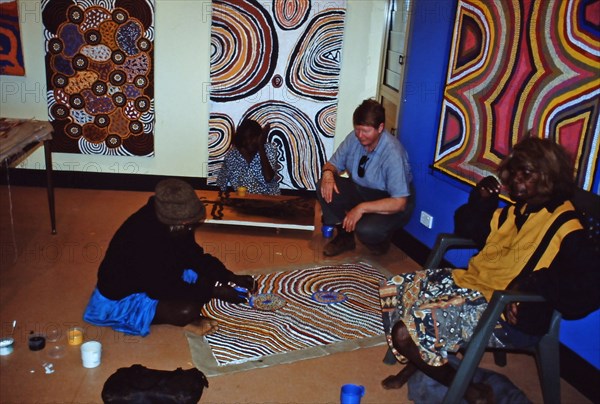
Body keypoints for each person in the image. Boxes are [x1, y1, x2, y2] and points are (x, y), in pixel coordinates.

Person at [379, 137, 600, 403]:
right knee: (393, 287)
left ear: (546, 176)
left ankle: (472, 391)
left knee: (405, 332)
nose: (515, 180)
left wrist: (532, 284)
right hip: (471, 284)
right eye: (514, 172)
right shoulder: (516, 211)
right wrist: (480, 202)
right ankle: (423, 359)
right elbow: (469, 230)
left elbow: (589, 285)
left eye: (526, 174)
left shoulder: (565, 226)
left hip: (504, 313)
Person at [83, 178, 257, 337]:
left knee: (205, 276)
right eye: (188, 225)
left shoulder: (175, 223)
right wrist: (213, 291)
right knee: (186, 310)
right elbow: (159, 288)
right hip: (125, 294)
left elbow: (193, 255)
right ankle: (183, 320)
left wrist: (228, 276)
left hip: (158, 275)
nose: (192, 229)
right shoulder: (144, 238)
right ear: (176, 223)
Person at [317, 99, 413, 256]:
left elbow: (399, 202)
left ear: (380, 128)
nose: (360, 136)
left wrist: (361, 209)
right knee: (323, 184)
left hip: (389, 199)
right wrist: (328, 174)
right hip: (361, 190)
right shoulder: (354, 138)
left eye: (366, 131)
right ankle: (345, 237)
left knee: (367, 230)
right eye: (357, 129)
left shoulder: (393, 153)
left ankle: (381, 240)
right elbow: (332, 164)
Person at [216, 119, 280, 195]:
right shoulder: (232, 155)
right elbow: (221, 183)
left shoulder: (269, 149)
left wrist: (261, 147)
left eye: (252, 137)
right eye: (245, 138)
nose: (248, 141)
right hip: (242, 201)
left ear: (259, 137)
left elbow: (268, 177)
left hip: (268, 201)